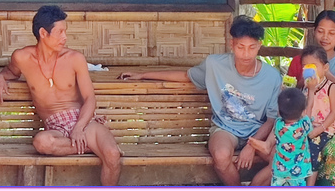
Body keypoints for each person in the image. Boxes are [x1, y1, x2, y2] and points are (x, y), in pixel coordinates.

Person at [119, 15, 281, 186]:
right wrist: (144, 75)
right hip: (225, 129)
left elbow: (271, 119)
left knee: (282, 159)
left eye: (252, 48)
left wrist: (251, 146)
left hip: (258, 131)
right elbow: (186, 75)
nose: (246, 54)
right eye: (241, 47)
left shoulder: (272, 77)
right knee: (221, 156)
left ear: (260, 46)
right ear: (231, 44)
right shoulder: (214, 64)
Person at [0, 5, 122, 186]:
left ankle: (97, 145)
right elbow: (10, 72)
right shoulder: (22, 58)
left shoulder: (74, 59)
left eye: (65, 31)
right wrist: (0, 77)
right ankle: (91, 146)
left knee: (112, 155)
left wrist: (79, 127)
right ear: (43, 33)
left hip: (83, 122)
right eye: (60, 32)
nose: (65, 37)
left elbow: (89, 98)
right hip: (56, 128)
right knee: (41, 143)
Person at [287, 11, 335, 185]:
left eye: (332, 33)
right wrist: (302, 81)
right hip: (303, 120)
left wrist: (328, 76)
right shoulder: (299, 61)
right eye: (321, 31)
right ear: (314, 31)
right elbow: (289, 97)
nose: (325, 37)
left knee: (329, 152)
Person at [246, 88, 313, 186]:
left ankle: (265, 145)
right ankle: (265, 145)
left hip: (279, 172)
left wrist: (283, 93)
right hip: (298, 174)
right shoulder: (303, 125)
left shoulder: (278, 125)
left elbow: (280, 113)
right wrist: (312, 89)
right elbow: (310, 107)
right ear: (303, 111)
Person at [298, 45, 335, 185]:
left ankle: (310, 184)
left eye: (313, 66)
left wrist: (319, 129)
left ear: (325, 68)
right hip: (307, 127)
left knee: (312, 148)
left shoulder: (330, 87)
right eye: (305, 66)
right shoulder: (305, 86)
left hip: (324, 130)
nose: (309, 69)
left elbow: (334, 112)